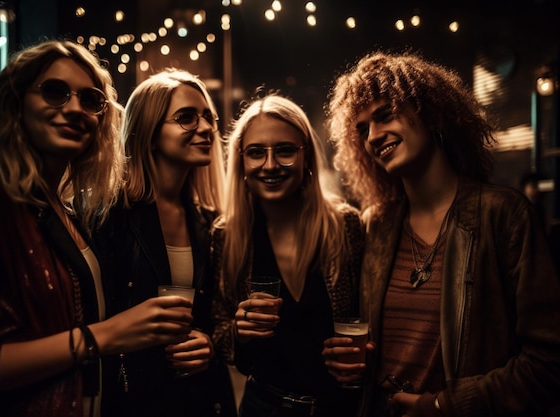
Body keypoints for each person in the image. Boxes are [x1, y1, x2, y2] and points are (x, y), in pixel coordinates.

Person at [0, 40, 196, 417]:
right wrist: (105, 335)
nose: (74, 109)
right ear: (16, 103)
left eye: (90, 100)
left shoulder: (63, 211)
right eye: (55, 92)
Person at [324, 50, 560, 417]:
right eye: (361, 129)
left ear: (431, 112)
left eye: (385, 115)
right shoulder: (376, 225)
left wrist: (442, 406)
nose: (372, 136)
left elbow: (548, 362)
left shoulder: (503, 215)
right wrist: (352, 363)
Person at [211, 93, 365, 417]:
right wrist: (238, 331)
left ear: (306, 156)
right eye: (255, 153)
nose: (270, 165)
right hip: (263, 406)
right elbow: (219, 330)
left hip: (340, 408)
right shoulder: (227, 236)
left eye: (284, 151)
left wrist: (366, 353)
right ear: (241, 162)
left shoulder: (345, 225)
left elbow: (371, 316)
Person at [96, 68, 236, 417]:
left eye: (208, 117)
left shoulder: (208, 221)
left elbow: (212, 318)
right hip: (131, 399)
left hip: (196, 398)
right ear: (150, 132)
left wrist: (209, 344)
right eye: (186, 118)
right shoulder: (110, 215)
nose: (205, 128)